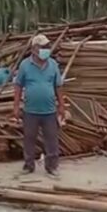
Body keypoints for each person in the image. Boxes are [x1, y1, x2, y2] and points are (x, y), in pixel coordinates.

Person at [13, 34, 65, 178]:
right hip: (30, 110)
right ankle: (29, 165)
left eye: (48, 46)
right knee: (29, 138)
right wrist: (16, 106)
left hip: (49, 110)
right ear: (34, 49)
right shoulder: (25, 65)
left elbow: (58, 86)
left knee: (52, 139)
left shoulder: (53, 65)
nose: (46, 49)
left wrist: (62, 106)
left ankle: (52, 166)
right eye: (43, 47)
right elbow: (18, 86)